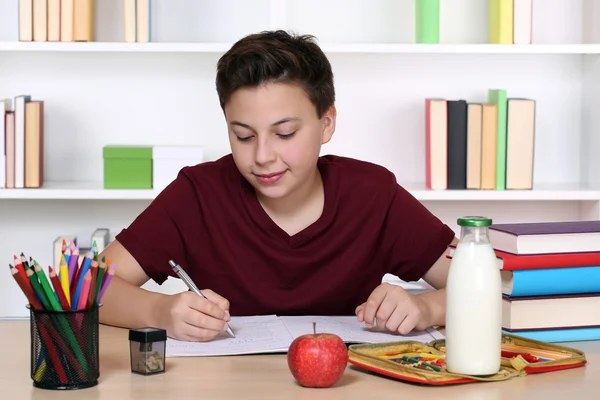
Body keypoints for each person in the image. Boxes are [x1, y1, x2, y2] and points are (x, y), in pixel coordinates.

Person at [98, 30, 457, 342]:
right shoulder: (196, 195)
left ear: (326, 123)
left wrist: (425, 307)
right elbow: (90, 287)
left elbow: (492, 285)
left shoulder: (373, 195)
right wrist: (160, 311)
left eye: (284, 133)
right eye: (243, 136)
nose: (262, 156)